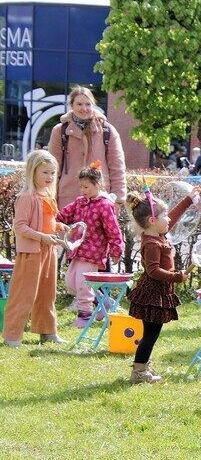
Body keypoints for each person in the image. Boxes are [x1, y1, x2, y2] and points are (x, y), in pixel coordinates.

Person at [124, 187, 199, 383]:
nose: (168, 220)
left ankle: (142, 368)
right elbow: (153, 271)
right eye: (163, 216)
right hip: (152, 294)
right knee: (150, 335)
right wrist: (177, 276)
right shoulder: (152, 243)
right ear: (152, 221)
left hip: (156, 293)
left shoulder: (158, 234)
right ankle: (139, 373)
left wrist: (188, 200)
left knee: (151, 334)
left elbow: (172, 217)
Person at [3, 151, 68, 347]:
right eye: (44, 173)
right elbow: (20, 226)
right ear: (33, 173)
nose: (49, 177)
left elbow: (45, 220)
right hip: (31, 253)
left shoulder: (47, 195)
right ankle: (12, 335)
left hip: (48, 251)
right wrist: (42, 237)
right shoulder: (26, 197)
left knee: (47, 294)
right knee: (23, 294)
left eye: (52, 173)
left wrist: (58, 226)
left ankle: (47, 331)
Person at [56, 160, 124, 328]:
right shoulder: (80, 202)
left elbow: (113, 229)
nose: (83, 190)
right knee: (71, 282)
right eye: (81, 187)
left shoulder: (104, 205)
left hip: (94, 252)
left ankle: (84, 316)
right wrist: (56, 221)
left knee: (83, 284)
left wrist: (117, 249)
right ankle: (105, 302)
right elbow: (63, 214)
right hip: (77, 249)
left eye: (86, 187)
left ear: (97, 184)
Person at [48, 86, 127, 209]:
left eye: (88, 104)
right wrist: (49, 197)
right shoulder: (59, 131)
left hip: (100, 199)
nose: (84, 108)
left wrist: (118, 199)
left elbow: (117, 168)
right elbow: (52, 168)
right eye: (79, 104)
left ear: (93, 105)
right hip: (67, 198)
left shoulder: (108, 131)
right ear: (72, 105)